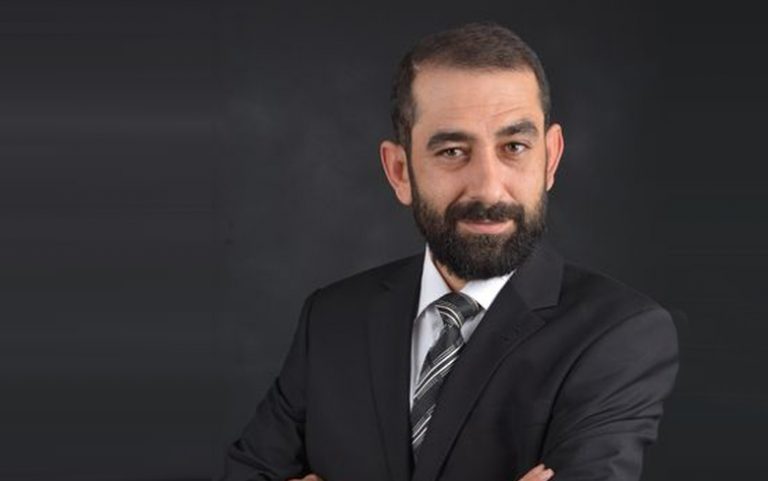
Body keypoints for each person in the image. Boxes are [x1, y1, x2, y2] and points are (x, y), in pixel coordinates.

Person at [221, 22, 679, 481]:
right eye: (453, 151)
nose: (488, 187)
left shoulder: (618, 334)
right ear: (400, 171)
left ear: (550, 158)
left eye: (514, 147)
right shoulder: (331, 319)